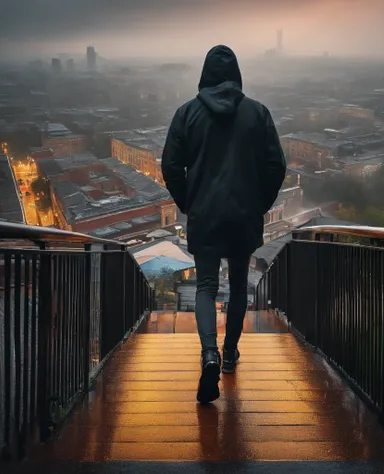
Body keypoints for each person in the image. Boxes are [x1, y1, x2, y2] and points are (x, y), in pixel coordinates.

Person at [161, 45, 286, 403]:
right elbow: (276, 167)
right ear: (236, 75)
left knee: (205, 287)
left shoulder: (186, 114)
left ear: (205, 74)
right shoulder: (258, 114)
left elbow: (170, 166)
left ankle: (209, 353)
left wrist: (189, 203)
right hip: (244, 216)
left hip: (205, 215)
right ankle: (230, 354)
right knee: (237, 286)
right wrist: (259, 204)